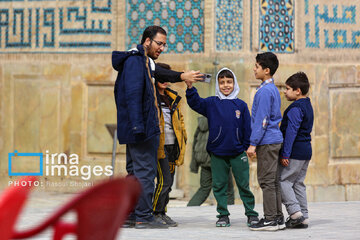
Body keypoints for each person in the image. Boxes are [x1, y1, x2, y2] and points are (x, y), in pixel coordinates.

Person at [112, 25, 203, 229]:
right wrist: (139, 128)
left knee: (135, 172)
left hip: (138, 128)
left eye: (164, 44)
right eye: (159, 43)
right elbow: (133, 95)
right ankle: (144, 216)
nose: (162, 48)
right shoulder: (136, 61)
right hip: (142, 129)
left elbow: (161, 72)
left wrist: (182, 76)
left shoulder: (143, 61)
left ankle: (132, 214)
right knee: (145, 173)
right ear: (147, 41)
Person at [186, 67, 259, 228]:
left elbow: (248, 128)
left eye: (229, 82)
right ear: (218, 84)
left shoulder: (241, 105)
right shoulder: (211, 103)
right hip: (217, 153)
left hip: (238, 152)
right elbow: (195, 103)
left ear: (234, 83)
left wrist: (248, 147)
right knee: (218, 186)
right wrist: (190, 88)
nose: (226, 85)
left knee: (243, 185)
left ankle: (251, 214)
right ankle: (223, 215)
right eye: (222, 82)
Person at [247, 52, 285, 231]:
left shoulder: (263, 92)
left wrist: (253, 143)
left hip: (267, 141)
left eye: (257, 66)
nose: (254, 69)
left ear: (266, 70)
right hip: (274, 139)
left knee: (266, 181)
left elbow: (262, 120)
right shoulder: (273, 89)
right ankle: (278, 217)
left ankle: (270, 219)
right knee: (274, 180)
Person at [152, 63, 187, 227]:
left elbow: (180, 121)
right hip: (160, 146)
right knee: (164, 181)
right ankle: (155, 213)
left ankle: (163, 212)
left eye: (167, 77)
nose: (165, 80)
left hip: (174, 145)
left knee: (169, 183)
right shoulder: (151, 97)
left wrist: (183, 139)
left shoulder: (173, 96)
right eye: (162, 76)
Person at [279, 72, 314, 229]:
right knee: (298, 183)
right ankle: (304, 217)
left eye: (287, 89)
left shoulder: (295, 108)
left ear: (297, 90)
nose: (285, 92)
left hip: (295, 151)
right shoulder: (308, 104)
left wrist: (285, 153)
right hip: (306, 150)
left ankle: (295, 213)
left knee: (283, 180)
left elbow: (291, 132)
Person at [187, 116, 235, 207]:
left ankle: (188, 210)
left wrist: (194, 164)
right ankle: (228, 214)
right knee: (228, 190)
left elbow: (195, 142)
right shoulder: (223, 119)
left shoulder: (202, 121)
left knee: (204, 188)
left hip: (204, 160)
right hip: (219, 160)